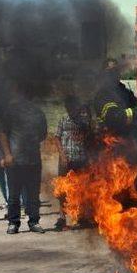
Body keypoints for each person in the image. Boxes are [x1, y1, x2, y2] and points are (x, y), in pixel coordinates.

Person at [0, 84, 48, 234]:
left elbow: (43, 134)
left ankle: (34, 221)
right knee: (14, 195)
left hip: (33, 160)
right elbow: (2, 134)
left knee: (33, 194)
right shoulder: (10, 112)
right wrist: (7, 154)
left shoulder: (38, 113)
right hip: (15, 161)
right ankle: (13, 223)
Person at [53, 95, 91, 231]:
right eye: (68, 108)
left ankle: (81, 216)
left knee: (81, 189)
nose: (70, 110)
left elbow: (90, 136)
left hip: (81, 159)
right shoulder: (63, 120)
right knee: (62, 189)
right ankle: (62, 217)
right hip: (66, 160)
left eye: (73, 107)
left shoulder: (84, 121)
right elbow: (56, 138)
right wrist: (62, 155)